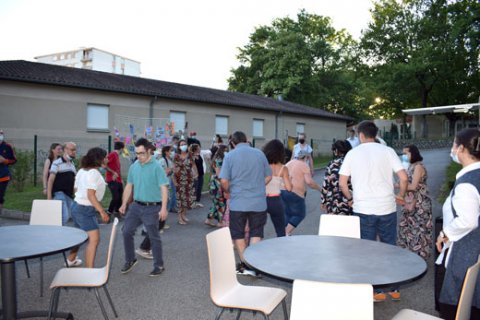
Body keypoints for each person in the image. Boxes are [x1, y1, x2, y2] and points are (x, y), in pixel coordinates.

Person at [339, 120, 407, 302]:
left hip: (363, 208)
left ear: (360, 135)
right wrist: (400, 194)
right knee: (389, 247)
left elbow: (342, 183)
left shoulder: (352, 154)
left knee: (367, 251)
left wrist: (350, 198)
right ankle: (394, 289)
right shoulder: (388, 151)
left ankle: (375, 291)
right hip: (387, 207)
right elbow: (403, 177)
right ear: (375, 134)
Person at [436, 128, 480, 319]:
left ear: (461, 148)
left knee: (457, 303)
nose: (452, 149)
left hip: (465, 249)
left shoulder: (467, 183)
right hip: (475, 247)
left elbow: (467, 220)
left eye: (454, 145)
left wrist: (445, 233)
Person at [219, 131, 271, 275]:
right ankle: (254, 265)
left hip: (238, 203)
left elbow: (223, 180)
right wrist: (258, 186)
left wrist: (229, 189)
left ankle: (245, 264)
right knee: (256, 232)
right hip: (258, 202)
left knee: (238, 234)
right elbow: (269, 176)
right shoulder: (260, 154)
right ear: (247, 140)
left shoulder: (229, 156)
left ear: (233, 143)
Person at [119, 138, 169, 277]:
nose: (139, 156)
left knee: (153, 236)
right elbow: (129, 185)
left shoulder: (157, 167)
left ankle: (159, 265)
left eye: (141, 153)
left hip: (152, 207)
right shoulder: (134, 166)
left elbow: (164, 188)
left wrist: (164, 208)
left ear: (149, 151)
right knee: (126, 231)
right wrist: (124, 203)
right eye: (137, 153)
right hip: (136, 206)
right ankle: (130, 259)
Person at [70, 147, 110, 268]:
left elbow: (75, 189)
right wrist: (102, 212)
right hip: (85, 209)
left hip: (76, 206)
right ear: (99, 159)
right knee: (94, 240)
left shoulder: (82, 171)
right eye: (105, 157)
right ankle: (89, 270)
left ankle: (70, 260)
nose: (107, 159)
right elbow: (91, 195)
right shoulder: (94, 173)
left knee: (79, 236)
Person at [47, 141, 81, 266]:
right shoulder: (57, 163)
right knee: (64, 216)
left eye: (75, 150)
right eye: (72, 149)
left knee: (72, 216)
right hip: (59, 193)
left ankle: (57, 237)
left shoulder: (72, 165)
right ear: (66, 150)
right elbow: (50, 180)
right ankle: (56, 239)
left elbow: (75, 183)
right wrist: (49, 196)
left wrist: (77, 195)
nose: (74, 152)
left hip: (69, 196)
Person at [397, 144, 432, 260]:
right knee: (408, 228)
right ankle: (410, 256)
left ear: (413, 153)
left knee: (419, 230)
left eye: (406, 153)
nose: (404, 156)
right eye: (403, 153)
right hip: (410, 203)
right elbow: (404, 183)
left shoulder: (418, 167)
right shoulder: (409, 166)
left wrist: (400, 186)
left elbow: (412, 186)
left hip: (420, 203)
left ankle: (420, 258)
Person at [282, 150, 321, 235]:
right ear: (306, 157)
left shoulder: (289, 163)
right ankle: (286, 233)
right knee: (299, 214)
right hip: (296, 193)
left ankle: (284, 235)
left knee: (287, 214)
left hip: (283, 191)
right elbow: (309, 182)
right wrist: (320, 189)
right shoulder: (304, 165)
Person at [263, 139, 292, 237]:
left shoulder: (263, 165)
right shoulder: (284, 168)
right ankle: (281, 250)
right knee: (280, 230)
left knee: (257, 229)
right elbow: (289, 188)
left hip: (262, 199)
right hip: (276, 200)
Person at [321, 140, 353, 215]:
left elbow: (326, 183)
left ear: (336, 151)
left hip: (333, 201)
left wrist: (323, 201)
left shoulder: (332, 164)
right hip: (349, 200)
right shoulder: (352, 162)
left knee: (334, 225)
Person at [173, 139, 196, 224]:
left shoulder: (190, 155)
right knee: (180, 199)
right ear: (179, 147)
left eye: (184, 144)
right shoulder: (176, 156)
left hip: (189, 180)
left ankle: (183, 215)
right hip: (180, 180)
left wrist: (195, 174)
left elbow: (193, 165)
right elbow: (174, 169)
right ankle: (179, 218)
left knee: (187, 199)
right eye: (181, 144)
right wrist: (174, 180)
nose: (183, 146)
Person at [205, 144, 228, 227]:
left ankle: (209, 219)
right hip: (218, 183)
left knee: (216, 202)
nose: (227, 152)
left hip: (215, 183)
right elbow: (218, 173)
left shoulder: (217, 158)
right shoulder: (219, 159)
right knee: (220, 203)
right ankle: (220, 222)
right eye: (226, 150)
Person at [105, 141, 124, 217]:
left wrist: (121, 179)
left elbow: (118, 170)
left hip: (118, 180)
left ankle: (117, 212)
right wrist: (113, 173)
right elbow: (104, 164)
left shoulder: (117, 156)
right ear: (122, 148)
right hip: (112, 179)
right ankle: (108, 213)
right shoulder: (112, 154)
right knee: (115, 197)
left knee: (120, 197)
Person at [0, 130, 16, 215]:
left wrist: (5, 161)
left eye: (1, 133)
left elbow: (14, 160)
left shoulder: (7, 146)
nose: (0, 135)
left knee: (0, 196)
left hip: (3, 176)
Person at [191, 144, 205, 208]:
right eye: (198, 148)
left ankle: (197, 202)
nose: (200, 148)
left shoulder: (199, 155)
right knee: (195, 189)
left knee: (199, 188)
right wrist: (195, 175)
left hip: (201, 174)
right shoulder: (192, 156)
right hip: (195, 175)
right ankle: (192, 202)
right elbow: (192, 166)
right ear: (195, 149)